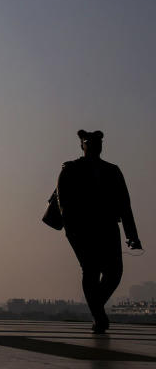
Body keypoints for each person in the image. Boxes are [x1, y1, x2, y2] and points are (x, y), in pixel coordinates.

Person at [56, 129, 142, 334]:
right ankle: (99, 316)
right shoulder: (71, 169)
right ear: (82, 145)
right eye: (89, 142)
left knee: (114, 273)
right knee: (91, 270)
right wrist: (71, 229)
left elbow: (124, 204)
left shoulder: (113, 170)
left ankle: (96, 308)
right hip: (82, 229)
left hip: (108, 227)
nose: (95, 145)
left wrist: (132, 235)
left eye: (98, 142)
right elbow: (64, 203)